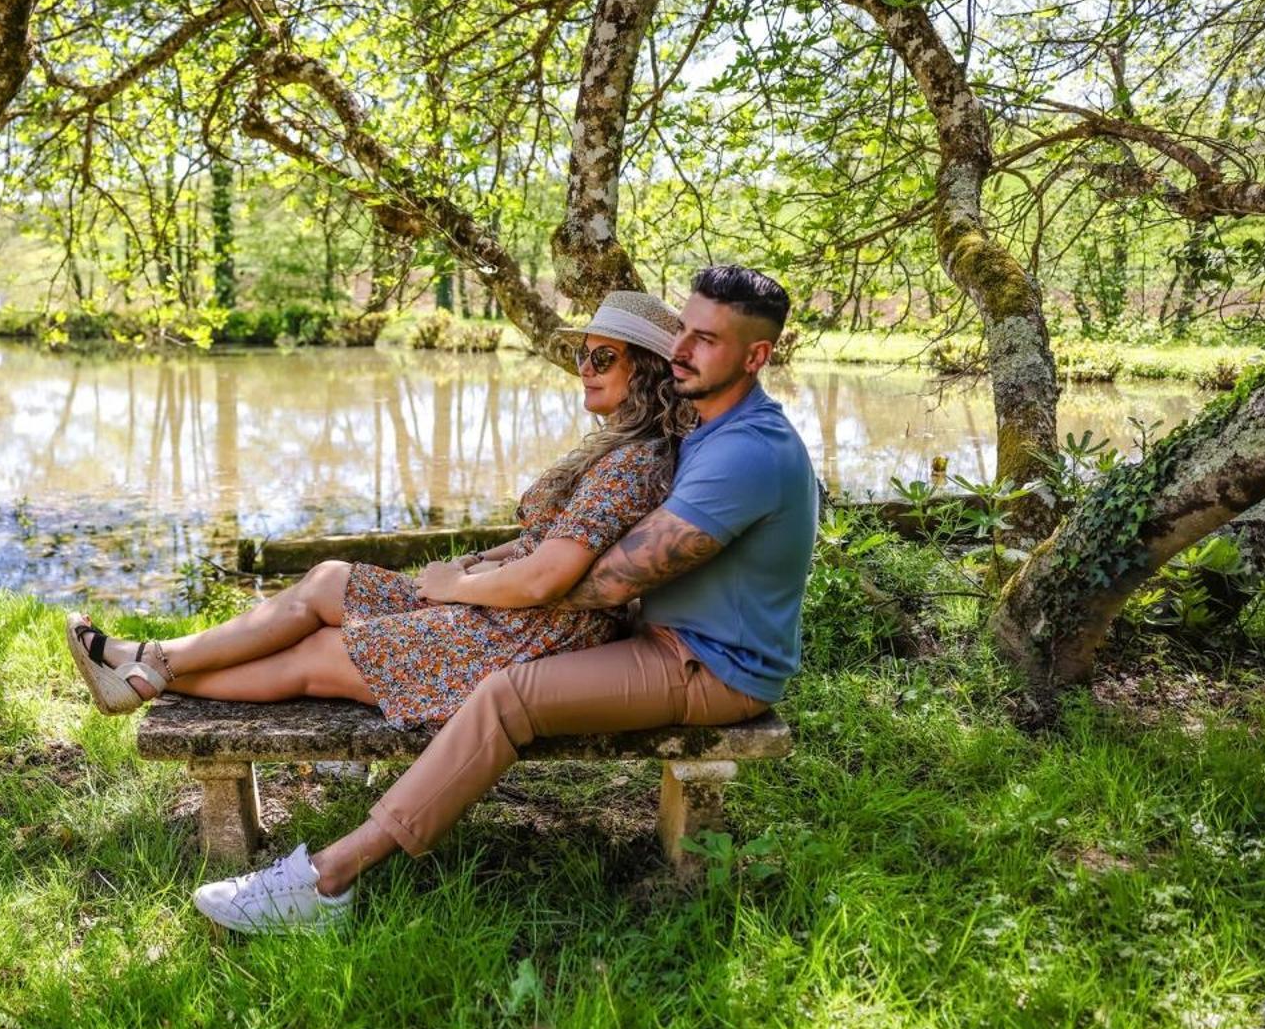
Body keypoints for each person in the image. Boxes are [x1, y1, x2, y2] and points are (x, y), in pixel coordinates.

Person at [187, 265, 820, 933]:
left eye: (707, 339)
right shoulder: (701, 426)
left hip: (712, 666)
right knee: (396, 626)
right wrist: (500, 577)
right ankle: (161, 668)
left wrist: (491, 588)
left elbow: (608, 580)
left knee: (508, 694)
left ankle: (328, 879)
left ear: (756, 356)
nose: (683, 350)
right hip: (659, 638)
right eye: (682, 331)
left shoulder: (749, 452)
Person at [65, 288, 692, 744]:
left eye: (603, 358)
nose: (585, 367)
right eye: (583, 354)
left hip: (531, 637)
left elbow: (545, 578)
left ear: (646, 371)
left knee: (321, 655)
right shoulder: (617, 444)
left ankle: (147, 672)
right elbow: (543, 542)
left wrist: (458, 586)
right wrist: (477, 561)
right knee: (330, 579)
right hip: (509, 611)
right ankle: (147, 657)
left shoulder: (632, 462)